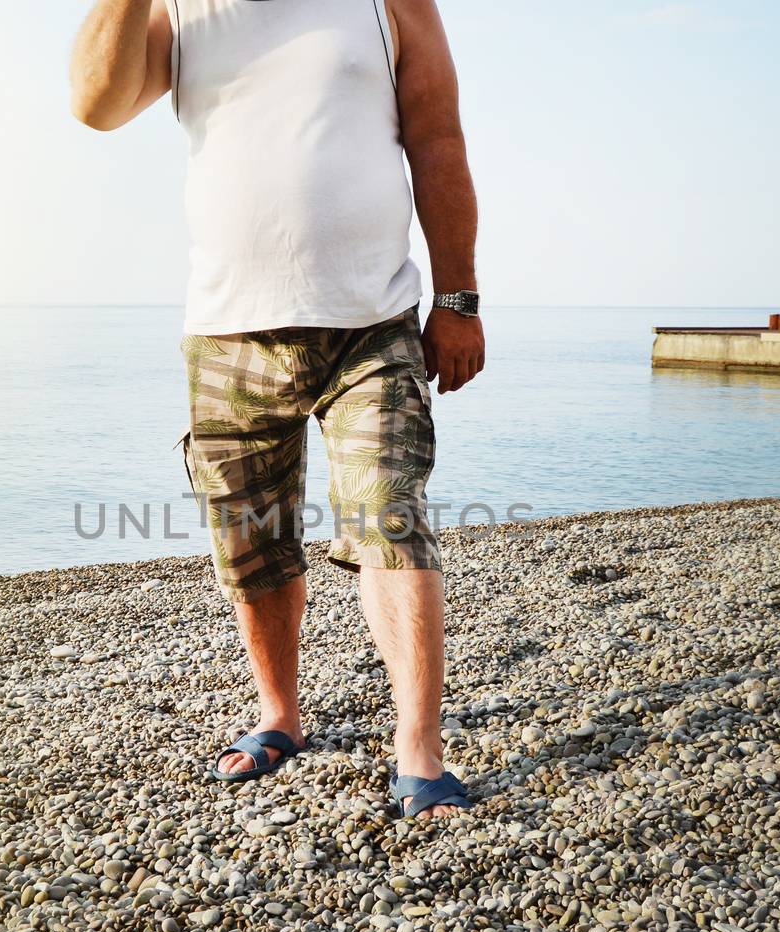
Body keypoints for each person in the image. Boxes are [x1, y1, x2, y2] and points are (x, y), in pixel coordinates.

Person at [70, 0, 484, 819]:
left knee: (389, 517)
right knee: (251, 542)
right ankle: (281, 715)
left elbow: (437, 137)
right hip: (228, 328)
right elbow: (97, 104)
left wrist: (459, 296)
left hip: (371, 320)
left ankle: (419, 749)